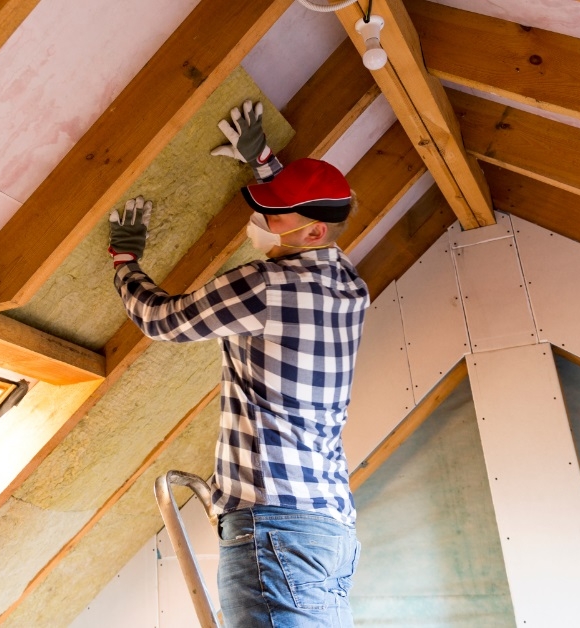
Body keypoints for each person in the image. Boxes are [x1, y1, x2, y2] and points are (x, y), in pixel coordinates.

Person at [108, 100, 369, 627]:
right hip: (326, 530)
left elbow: (162, 320)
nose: (263, 221)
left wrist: (124, 263)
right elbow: (309, 216)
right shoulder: (349, 285)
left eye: (275, 213)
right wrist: (265, 164)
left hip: (276, 530)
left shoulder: (265, 286)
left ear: (314, 232)